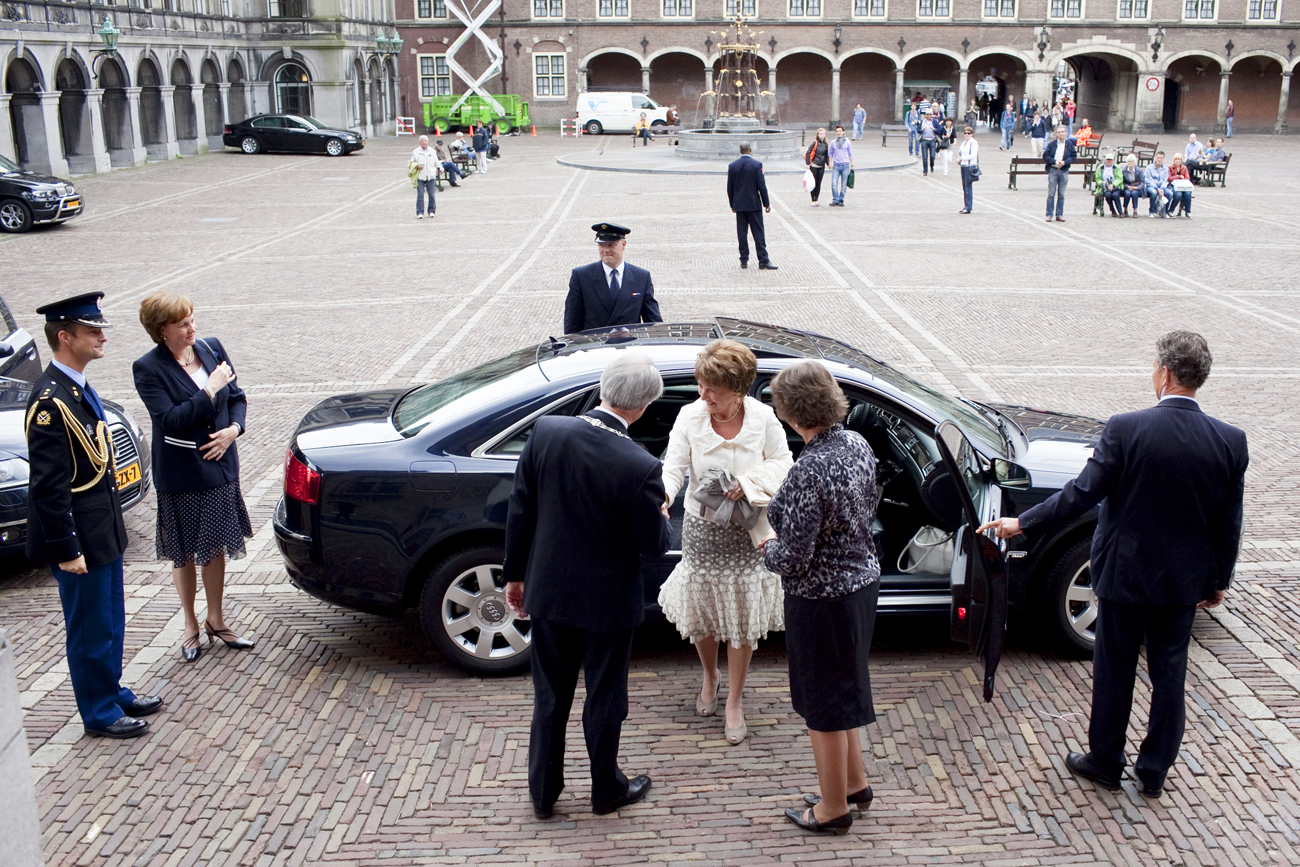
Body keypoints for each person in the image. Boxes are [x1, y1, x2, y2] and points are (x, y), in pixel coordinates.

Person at [981, 332, 1247, 800]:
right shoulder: (1230, 440)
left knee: (1115, 669)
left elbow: (1080, 494)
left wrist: (1020, 522)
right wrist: (1218, 580)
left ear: (1164, 374)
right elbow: (1229, 522)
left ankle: (1105, 760)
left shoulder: (1126, 428)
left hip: (1124, 575)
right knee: (1170, 673)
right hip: (1182, 581)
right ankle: (1154, 771)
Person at [504, 353, 671, 819]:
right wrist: (660, 515)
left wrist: (515, 575)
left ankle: (543, 792)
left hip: (550, 590)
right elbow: (653, 546)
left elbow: (521, 510)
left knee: (549, 694)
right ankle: (605, 789)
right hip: (607, 601)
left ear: (603, 389)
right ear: (642, 408)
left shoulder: (548, 432)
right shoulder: (639, 464)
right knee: (605, 695)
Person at [26, 293, 163, 739]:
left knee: (110, 619)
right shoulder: (50, 402)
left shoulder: (79, 388)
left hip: (102, 527)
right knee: (88, 628)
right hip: (80, 537)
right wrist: (67, 549)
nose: (102, 336)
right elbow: (48, 487)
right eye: (91, 331)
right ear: (65, 337)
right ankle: (99, 712)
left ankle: (112, 688)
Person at [760, 361, 880, 836]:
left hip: (821, 598)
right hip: (861, 582)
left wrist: (763, 541)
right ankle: (853, 784)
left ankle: (833, 809)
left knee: (822, 704)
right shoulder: (856, 443)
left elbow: (792, 558)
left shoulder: (809, 468)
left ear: (790, 413)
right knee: (844, 687)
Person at [658, 340, 792, 745]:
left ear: (739, 389)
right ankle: (710, 673)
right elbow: (674, 465)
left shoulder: (764, 418)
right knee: (703, 610)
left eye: (713, 389)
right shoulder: (689, 416)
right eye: (701, 385)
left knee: (740, 617)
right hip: (703, 532)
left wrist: (749, 483)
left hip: (749, 532)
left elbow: (784, 462)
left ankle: (734, 699)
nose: (704, 395)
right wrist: (663, 497)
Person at [132, 292, 254, 662]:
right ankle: (190, 625)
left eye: (192, 319)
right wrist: (210, 387)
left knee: (215, 545)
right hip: (182, 470)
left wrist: (234, 429)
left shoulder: (210, 348)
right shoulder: (147, 368)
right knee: (183, 551)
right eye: (182, 324)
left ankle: (216, 619)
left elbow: (238, 397)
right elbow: (171, 418)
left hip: (219, 465)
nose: (192, 328)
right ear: (161, 330)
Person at [563, 223, 663, 333]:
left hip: (629, 347)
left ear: (623, 245)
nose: (606, 250)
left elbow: (653, 323)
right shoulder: (582, 276)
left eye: (611, 245)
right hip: (596, 347)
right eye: (602, 245)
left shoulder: (641, 277)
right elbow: (572, 323)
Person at [727, 141, 778, 269]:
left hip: (739, 205)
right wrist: (766, 203)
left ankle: (744, 259)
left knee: (742, 233)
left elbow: (730, 188)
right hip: (754, 204)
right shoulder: (756, 165)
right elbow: (762, 186)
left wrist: (732, 204)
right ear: (750, 150)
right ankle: (763, 260)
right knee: (758, 233)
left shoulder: (733, 166)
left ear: (740, 151)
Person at [1043, 126, 1075, 223]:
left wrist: (1065, 162)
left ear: (1065, 133)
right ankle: (1049, 214)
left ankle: (1059, 214)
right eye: (1059, 132)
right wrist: (1054, 161)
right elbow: (1045, 156)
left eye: (1062, 132)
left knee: (1061, 194)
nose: (1060, 134)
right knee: (1051, 194)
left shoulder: (1069, 145)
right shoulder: (1052, 144)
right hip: (1053, 170)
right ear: (1056, 134)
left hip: (1064, 170)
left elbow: (1073, 156)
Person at [409, 135, 438, 219]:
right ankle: (420, 212)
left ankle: (431, 211)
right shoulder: (415, 152)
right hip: (420, 176)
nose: (424, 143)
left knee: (432, 195)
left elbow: (437, 162)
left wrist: (435, 168)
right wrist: (417, 166)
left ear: (428, 142)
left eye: (426, 141)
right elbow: (411, 163)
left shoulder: (432, 151)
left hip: (431, 175)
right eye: (423, 141)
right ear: (420, 142)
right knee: (420, 194)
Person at [827, 125, 854, 204]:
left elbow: (850, 153)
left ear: (843, 132)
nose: (838, 133)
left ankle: (841, 199)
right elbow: (830, 153)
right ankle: (835, 199)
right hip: (836, 165)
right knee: (834, 183)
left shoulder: (847, 142)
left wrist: (852, 164)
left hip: (845, 165)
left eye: (840, 131)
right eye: (837, 131)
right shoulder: (833, 142)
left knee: (843, 184)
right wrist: (830, 162)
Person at [958, 126, 979, 214]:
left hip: (969, 166)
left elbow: (973, 155)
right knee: (965, 187)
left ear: (972, 134)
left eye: (968, 133)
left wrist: (962, 158)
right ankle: (966, 205)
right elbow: (960, 152)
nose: (966, 134)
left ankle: (968, 207)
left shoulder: (973, 142)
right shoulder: (964, 143)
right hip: (963, 166)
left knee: (968, 187)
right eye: (965, 133)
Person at [1144, 151, 1172, 218]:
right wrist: (1157, 188)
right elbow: (1148, 180)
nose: (1159, 159)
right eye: (1158, 157)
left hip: (1162, 187)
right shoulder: (1149, 168)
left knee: (1170, 193)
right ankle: (1152, 211)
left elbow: (1166, 180)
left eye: (1161, 158)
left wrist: (1162, 188)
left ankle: (1165, 212)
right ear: (1155, 158)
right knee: (1153, 193)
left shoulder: (1166, 168)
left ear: (1163, 159)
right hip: (1152, 186)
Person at [805, 127, 829, 206]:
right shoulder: (814, 143)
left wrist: (828, 163)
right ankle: (813, 200)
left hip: (821, 166)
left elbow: (826, 155)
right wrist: (808, 163)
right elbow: (808, 152)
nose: (822, 135)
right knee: (813, 183)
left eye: (823, 134)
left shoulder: (825, 144)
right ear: (818, 135)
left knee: (819, 183)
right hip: (814, 165)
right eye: (820, 134)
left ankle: (816, 199)